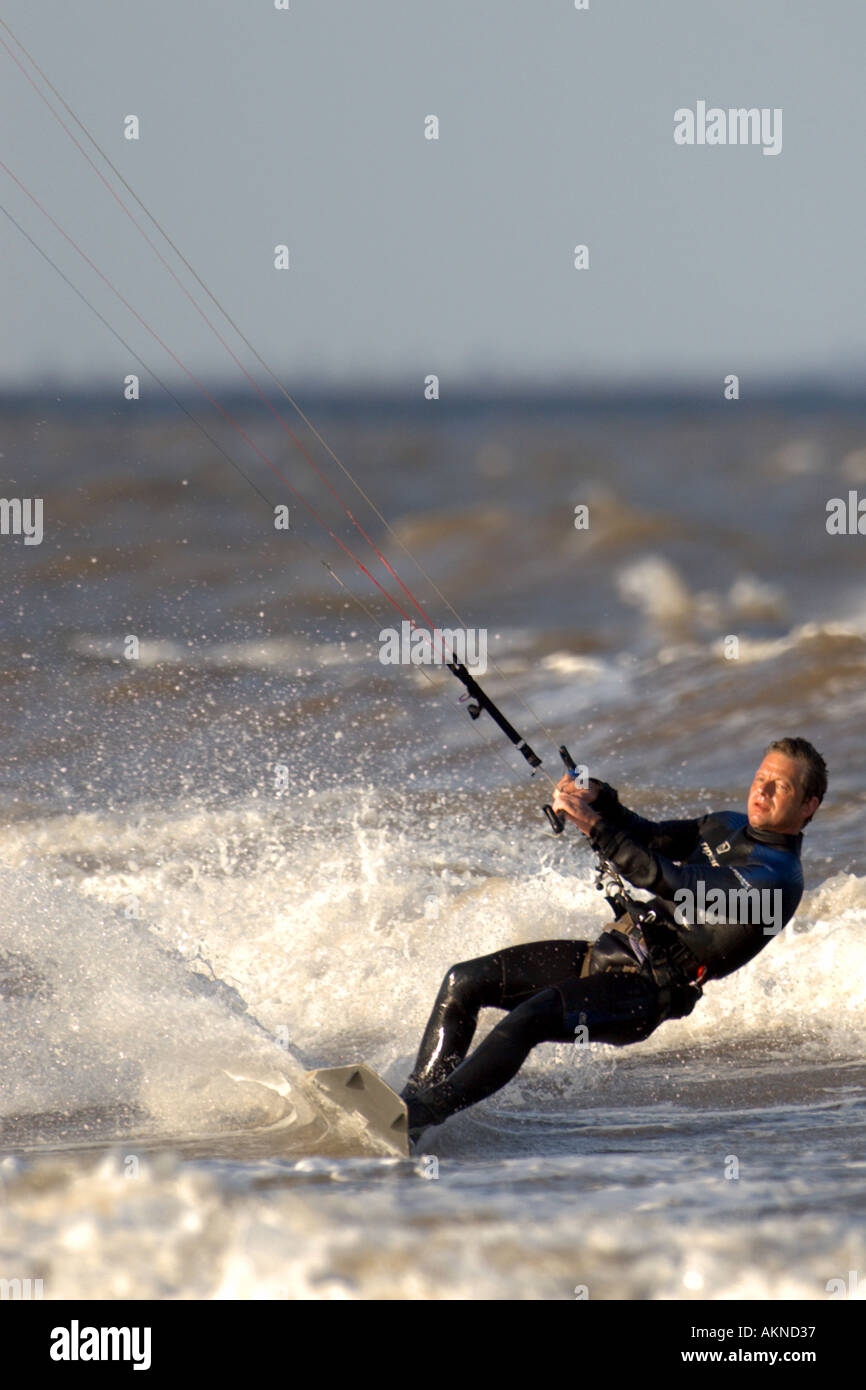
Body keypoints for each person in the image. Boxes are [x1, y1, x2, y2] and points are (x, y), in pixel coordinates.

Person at [401, 736, 827, 1142]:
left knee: (531, 1017)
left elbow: (673, 881)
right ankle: (407, 1109)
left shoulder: (777, 881)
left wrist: (595, 829)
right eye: (760, 779)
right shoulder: (727, 825)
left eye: (781, 786)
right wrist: (600, 799)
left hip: (646, 992)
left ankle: (422, 1114)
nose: (763, 791)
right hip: (613, 951)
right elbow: (652, 837)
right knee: (465, 981)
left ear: (808, 806)